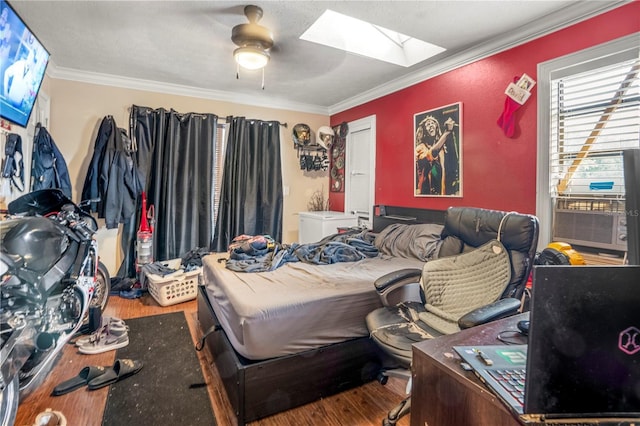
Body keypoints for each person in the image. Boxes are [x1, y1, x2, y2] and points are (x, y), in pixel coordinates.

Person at [415, 115, 456, 195]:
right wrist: (447, 132)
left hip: (441, 192)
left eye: (433, 123)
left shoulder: (442, 149)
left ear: (436, 127)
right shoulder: (420, 148)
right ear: (423, 131)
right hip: (426, 193)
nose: (431, 125)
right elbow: (431, 154)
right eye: (428, 124)